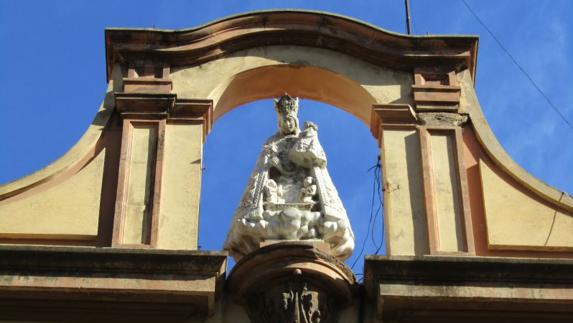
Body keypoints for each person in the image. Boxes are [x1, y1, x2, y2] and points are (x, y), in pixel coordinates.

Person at [224, 94, 354, 261]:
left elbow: (314, 158)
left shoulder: (304, 138)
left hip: (301, 182)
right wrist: (270, 159)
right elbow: (264, 165)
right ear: (280, 123)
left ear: (295, 121)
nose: (287, 123)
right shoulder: (271, 142)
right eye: (284, 121)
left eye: (290, 120)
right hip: (278, 187)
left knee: (315, 208)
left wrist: (310, 137)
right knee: (262, 209)